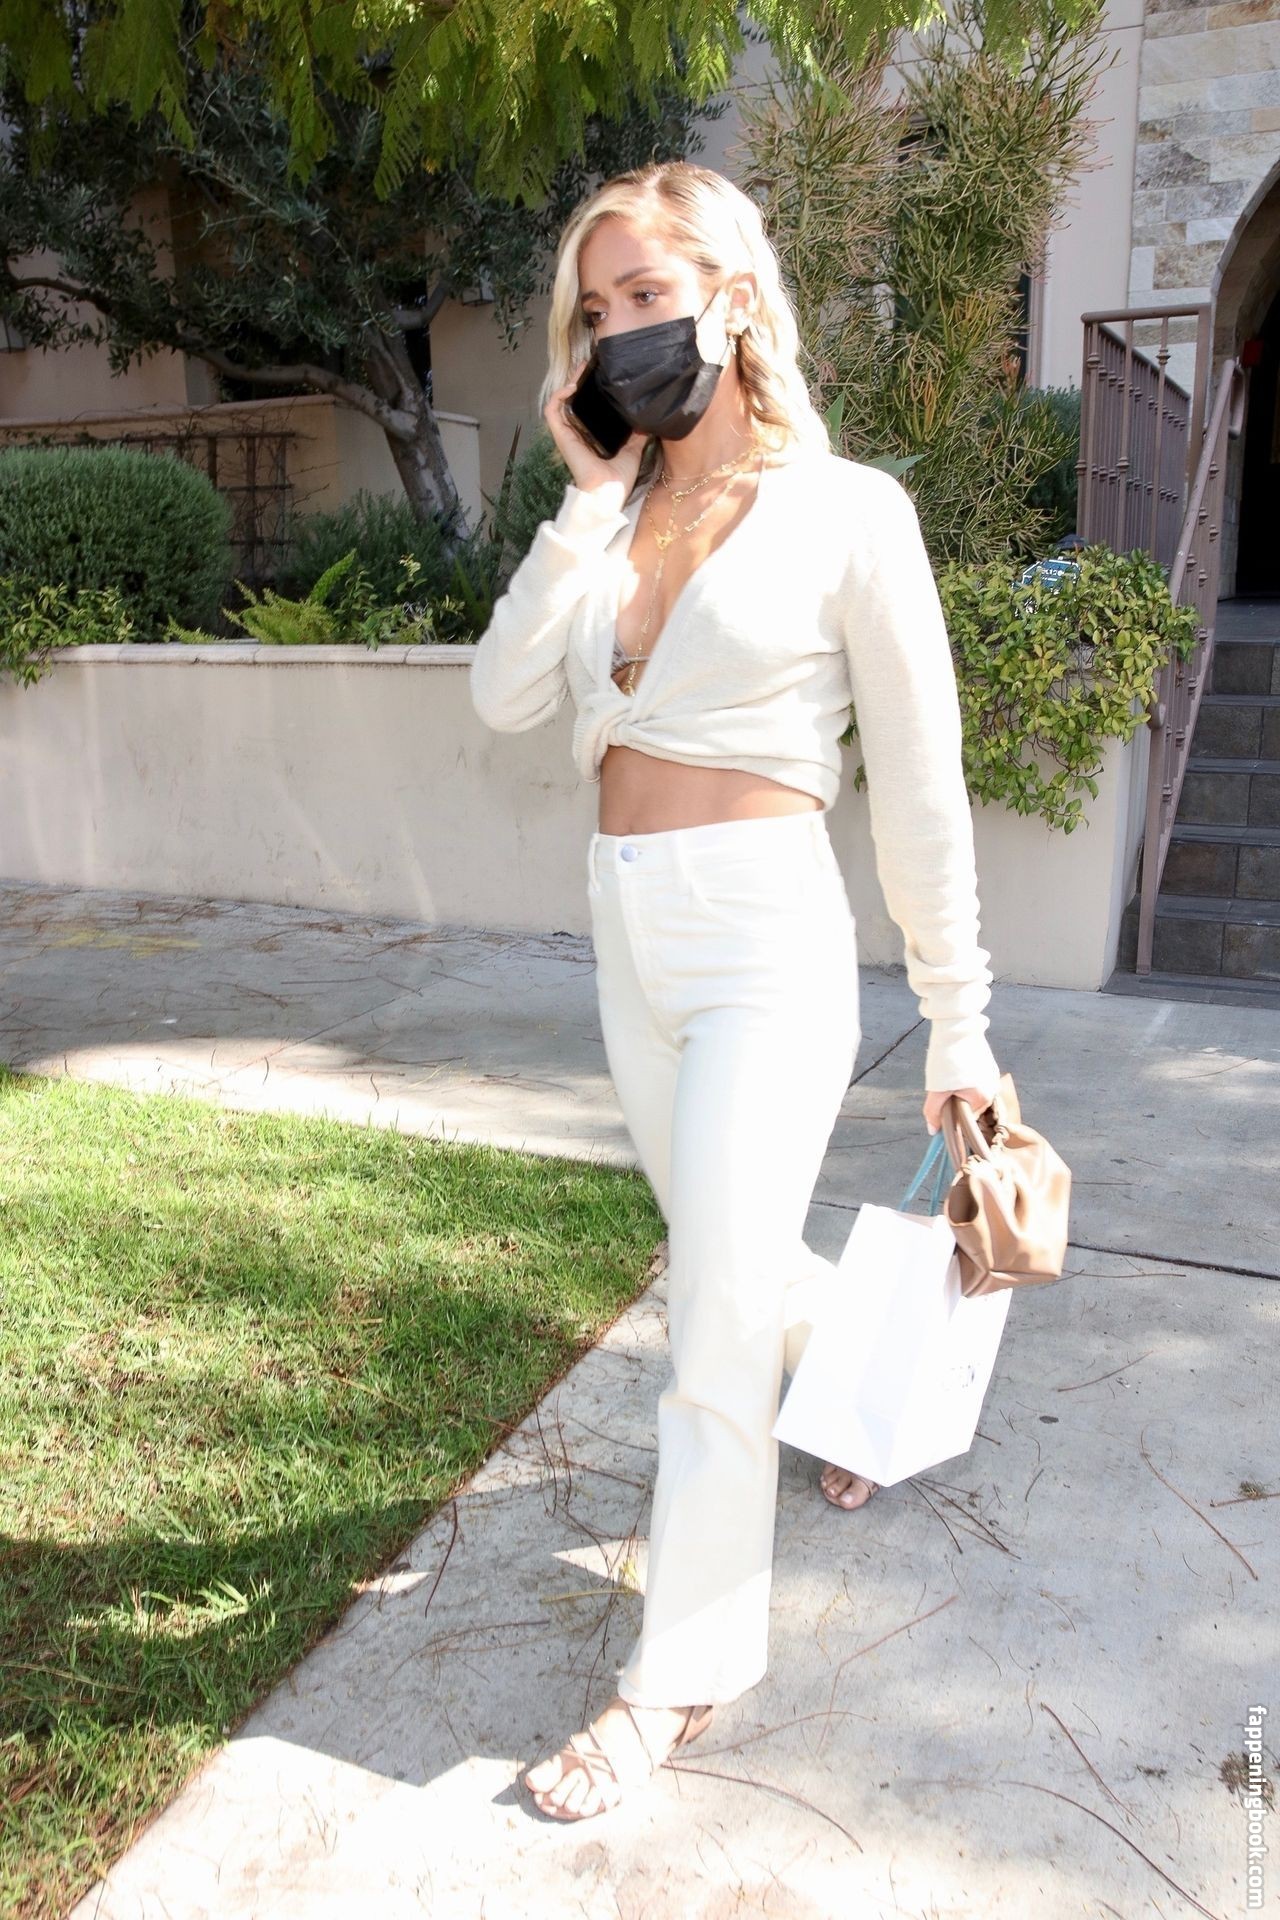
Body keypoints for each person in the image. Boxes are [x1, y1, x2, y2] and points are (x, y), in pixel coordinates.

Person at [468, 159, 1001, 1822]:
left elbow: (921, 791)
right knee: (733, 1258)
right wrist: (579, 496)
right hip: (628, 930)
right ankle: (865, 1387)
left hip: (767, 940)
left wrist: (960, 1019)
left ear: (735, 301)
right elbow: (500, 697)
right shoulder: (612, 517)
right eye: (597, 309)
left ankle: (680, 1672)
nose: (621, 330)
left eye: (650, 296)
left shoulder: (850, 513)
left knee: (702, 1319)